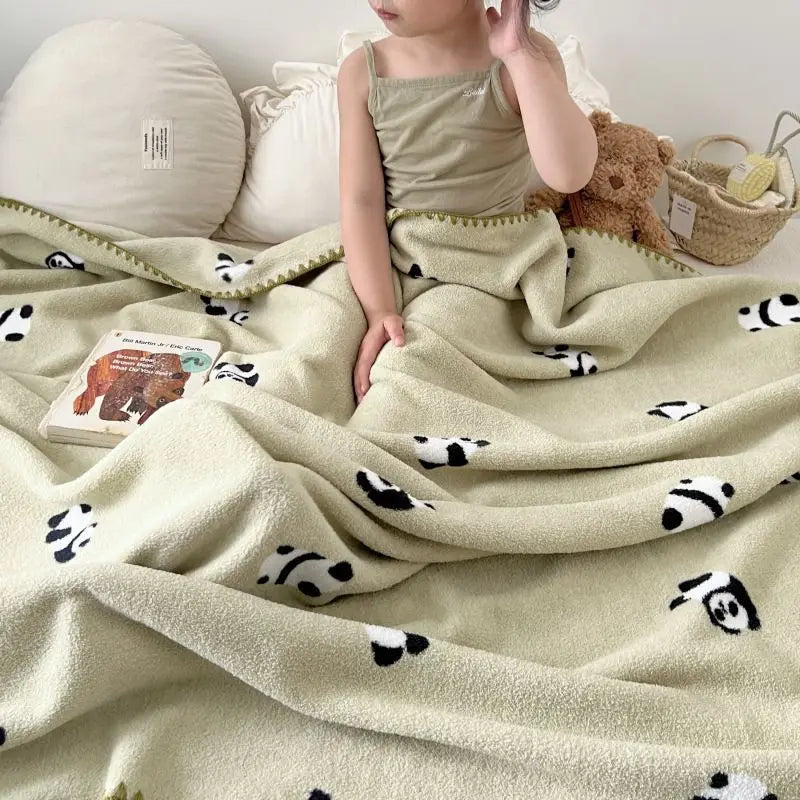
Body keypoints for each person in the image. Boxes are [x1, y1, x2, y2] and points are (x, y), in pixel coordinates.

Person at [338, 0, 598, 403]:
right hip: (396, 262)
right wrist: (379, 310)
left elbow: (570, 174)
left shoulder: (525, 60)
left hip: (494, 267)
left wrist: (518, 54)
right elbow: (361, 202)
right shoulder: (363, 72)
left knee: (419, 364)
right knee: (322, 339)